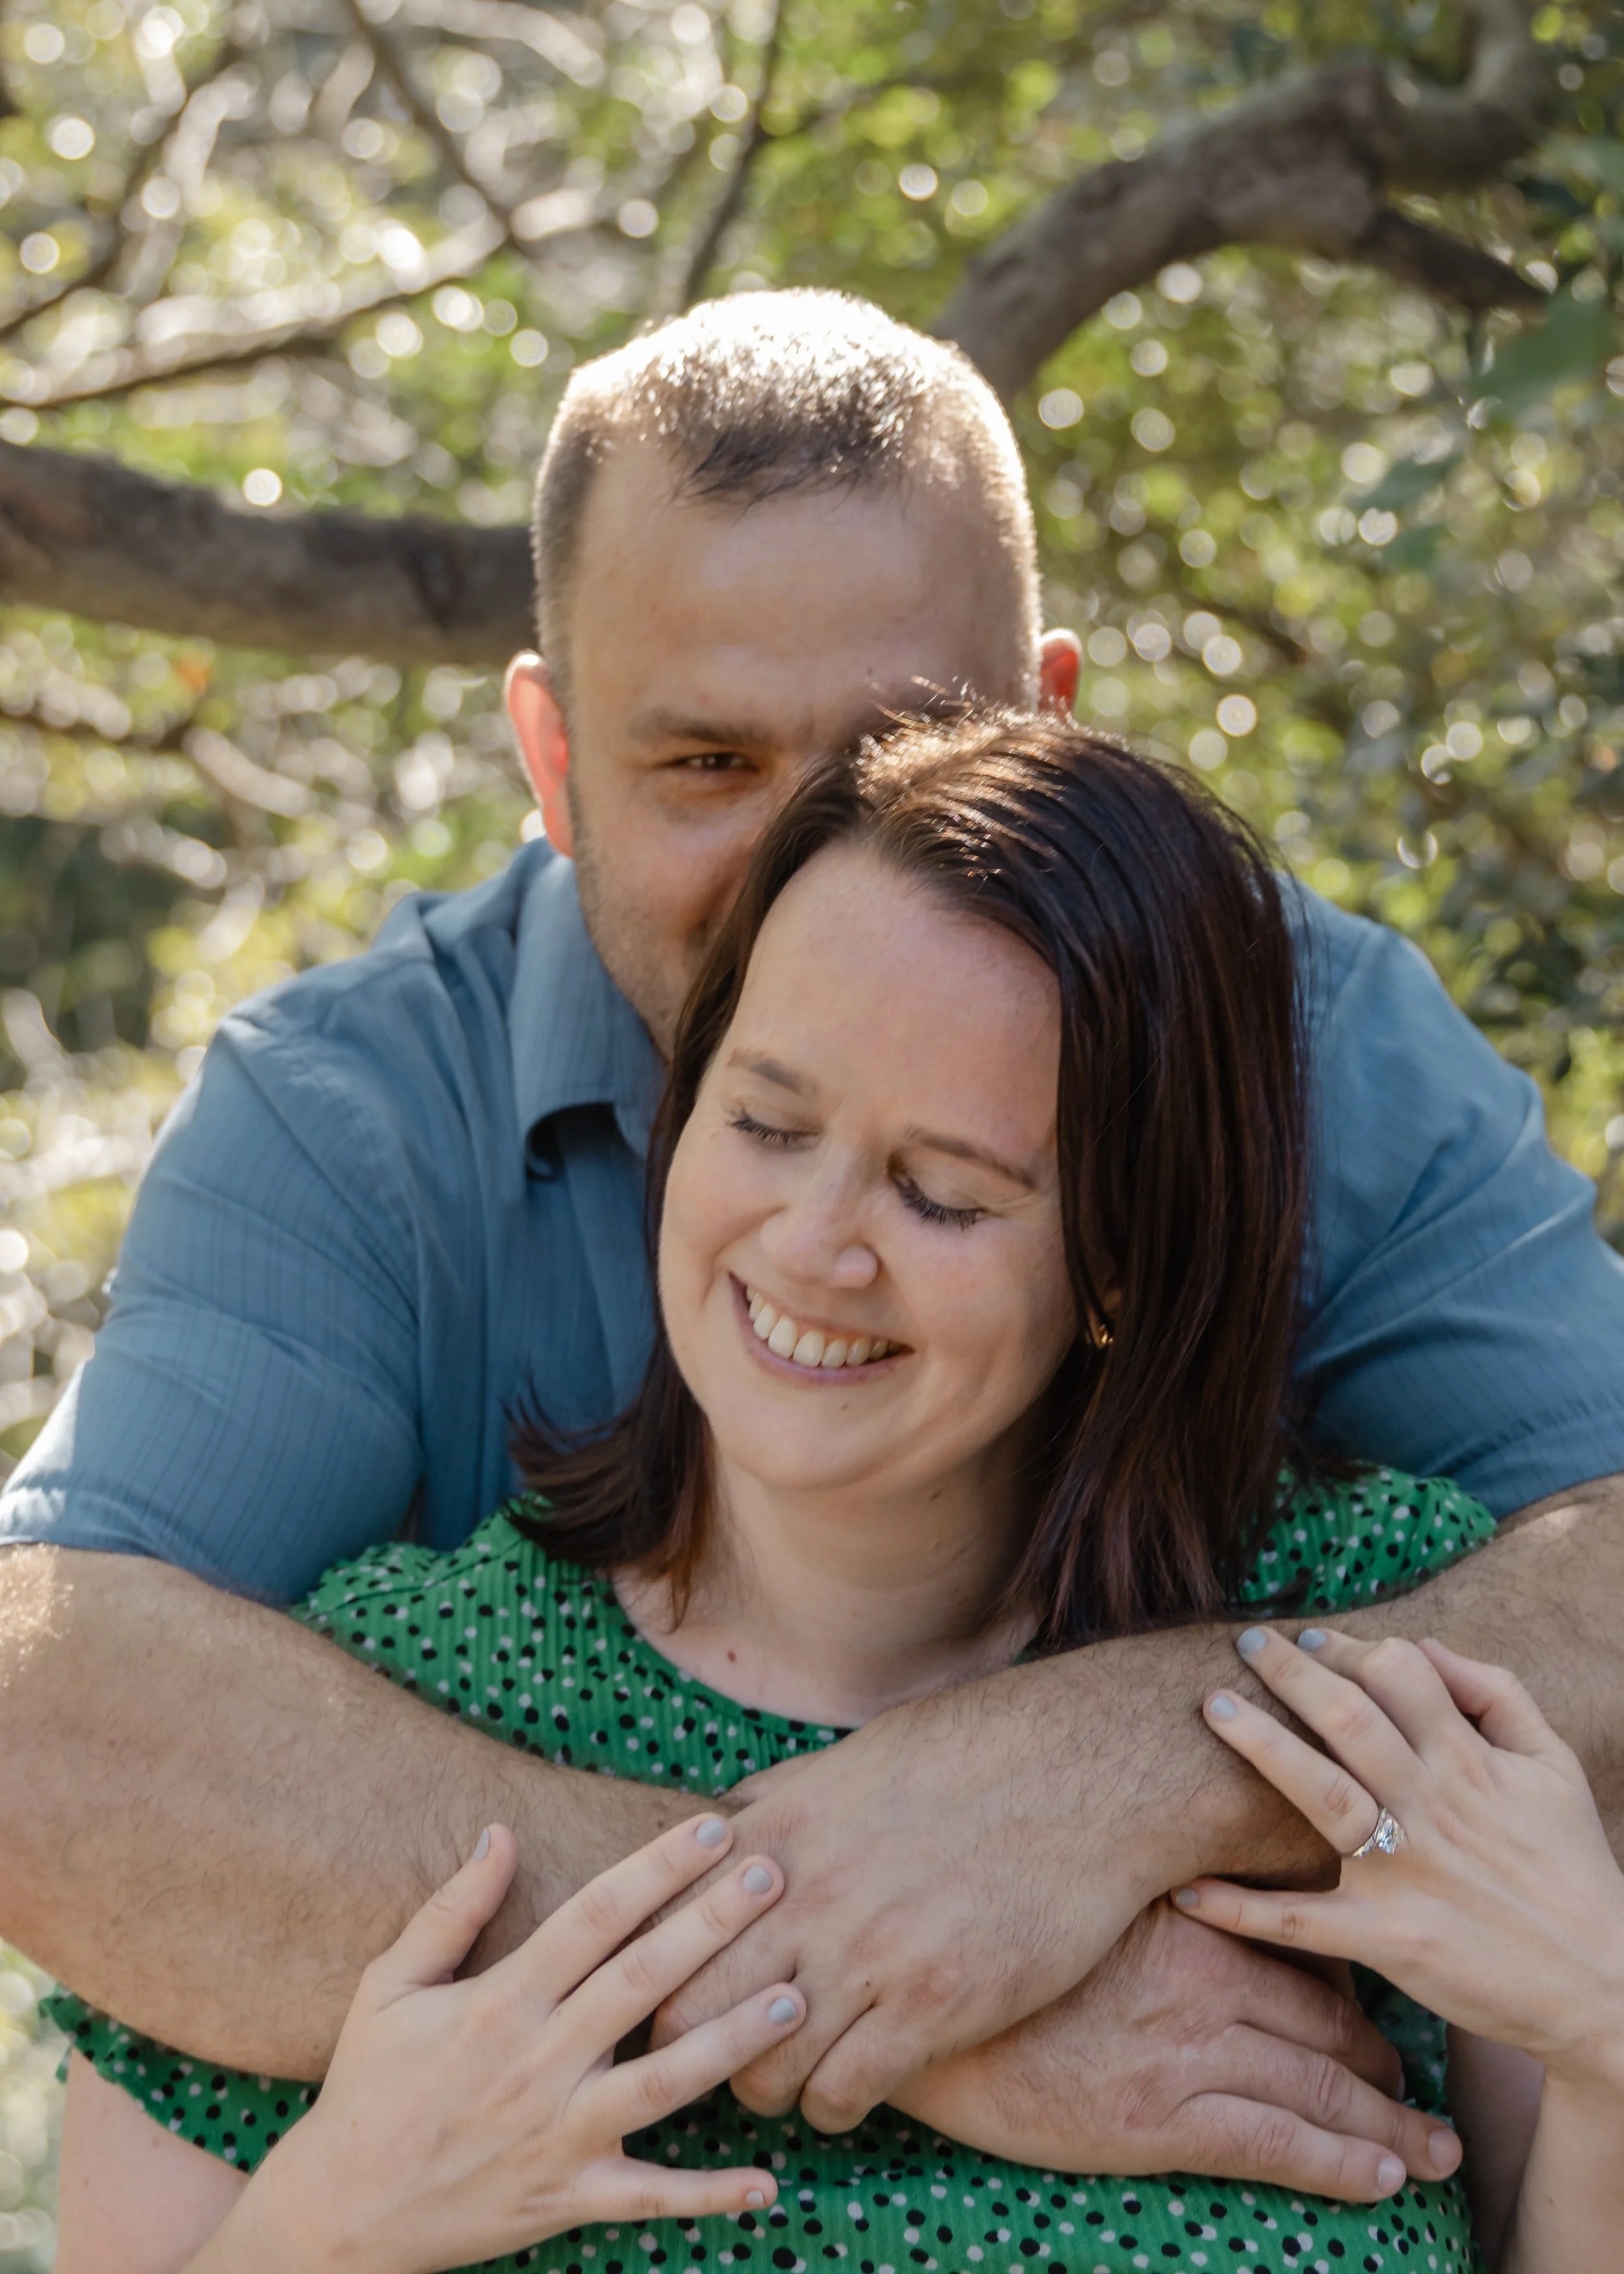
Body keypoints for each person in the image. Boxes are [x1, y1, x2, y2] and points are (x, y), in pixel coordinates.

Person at [4, 292, 1624, 2193]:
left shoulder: (1310, 1042)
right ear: (552, 757)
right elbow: (44, 1713)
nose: (805, 865)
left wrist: (1117, 1767)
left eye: (901, 743)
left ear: (1049, 722)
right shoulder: (351, 1114)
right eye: (704, 764)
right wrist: (849, 1954)